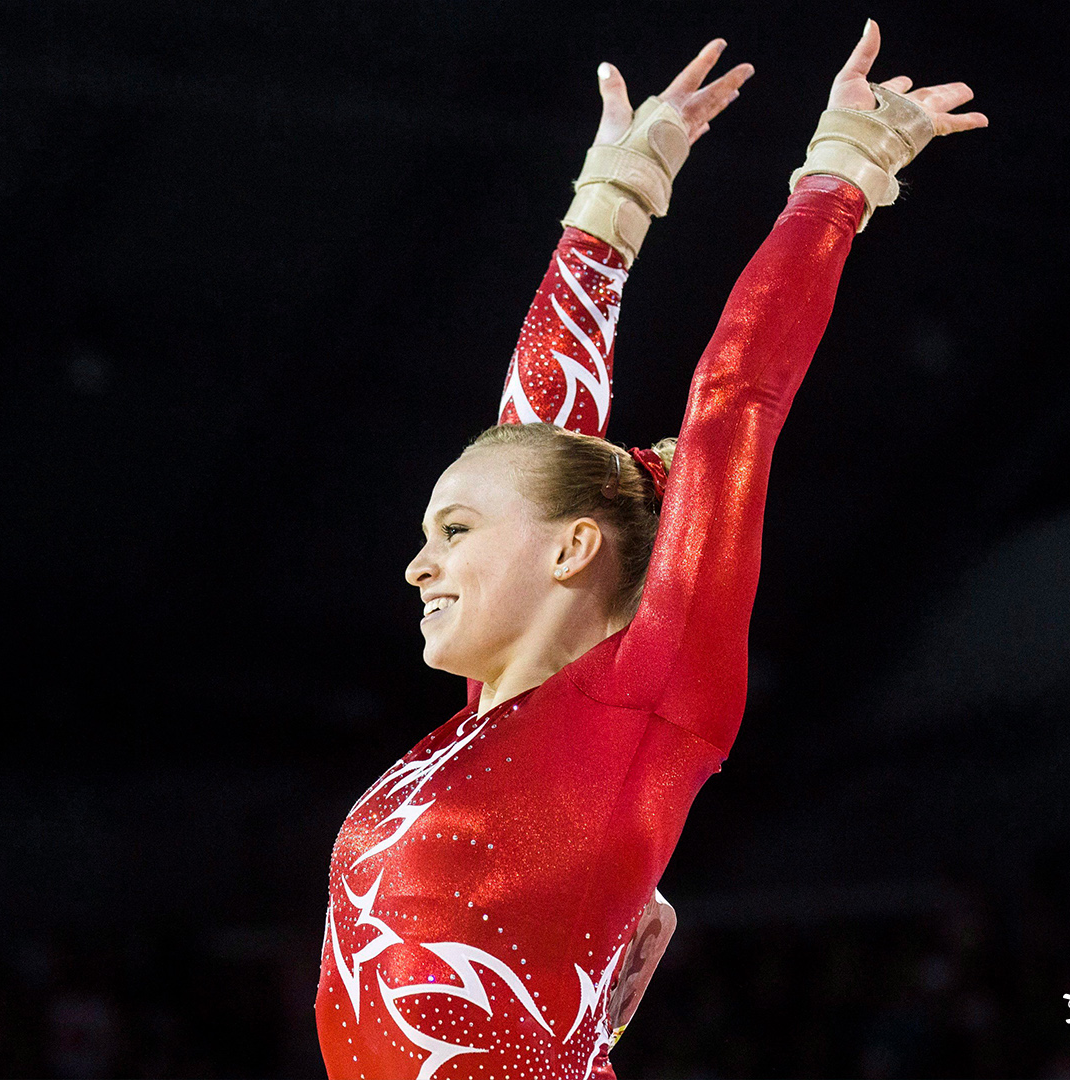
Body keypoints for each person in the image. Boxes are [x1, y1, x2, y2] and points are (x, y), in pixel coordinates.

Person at [315, 21, 986, 1080]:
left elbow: (737, 404)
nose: (416, 564)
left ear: (575, 549)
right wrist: (616, 194)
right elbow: (531, 451)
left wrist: (839, 176)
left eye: (452, 531)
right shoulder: (488, 731)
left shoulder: (651, 694)